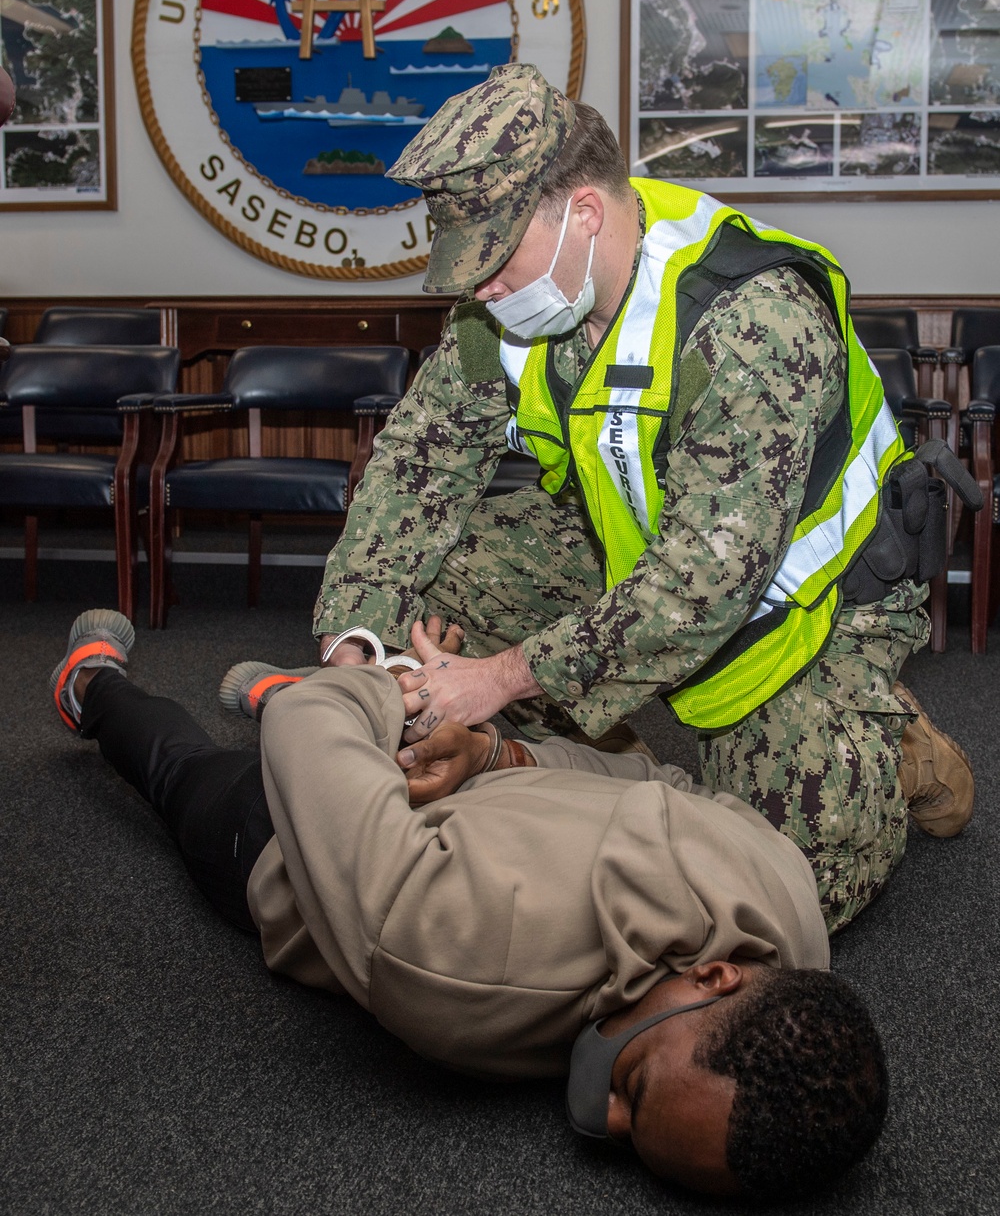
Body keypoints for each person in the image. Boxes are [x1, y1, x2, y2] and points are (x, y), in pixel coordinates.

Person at [314, 62, 975, 935]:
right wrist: (355, 635)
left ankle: (889, 742)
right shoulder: (513, 307)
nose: (481, 291)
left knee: (775, 898)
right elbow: (418, 460)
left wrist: (498, 679)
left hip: (805, 607)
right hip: (634, 547)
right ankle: (569, 766)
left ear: (584, 211)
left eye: (495, 261)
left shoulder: (751, 321)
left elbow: (702, 588)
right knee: (432, 583)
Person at [51, 610, 887, 1203]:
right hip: (394, 812)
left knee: (203, 765)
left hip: (322, 847)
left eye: (630, 1137)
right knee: (246, 744)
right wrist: (494, 750)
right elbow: (657, 779)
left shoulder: (453, 961)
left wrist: (384, 695)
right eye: (634, 1090)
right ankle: (127, 690)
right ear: (720, 975)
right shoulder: (782, 895)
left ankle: (97, 686)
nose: (605, 1119)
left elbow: (311, 724)